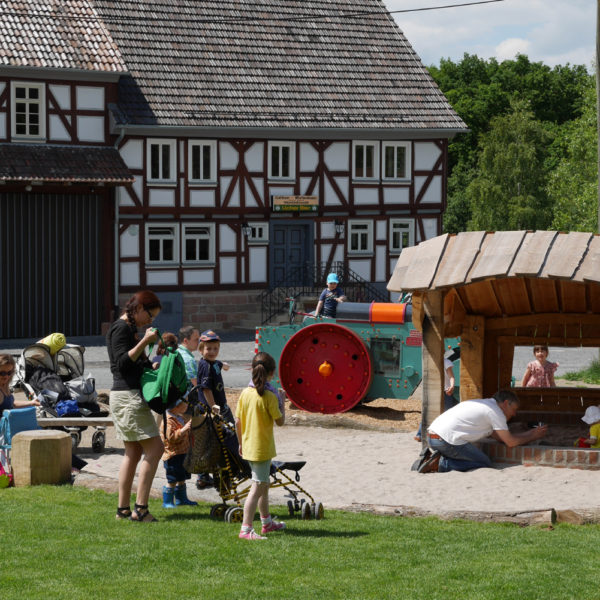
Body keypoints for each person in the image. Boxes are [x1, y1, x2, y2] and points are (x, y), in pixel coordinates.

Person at [106, 290, 164, 522]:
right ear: (139, 308)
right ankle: (140, 509)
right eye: (150, 315)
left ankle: (123, 510)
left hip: (124, 396)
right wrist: (145, 341)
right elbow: (121, 363)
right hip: (127, 397)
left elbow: (133, 363)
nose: (151, 321)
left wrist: (152, 366)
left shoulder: (127, 328)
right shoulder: (121, 328)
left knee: (133, 452)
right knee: (156, 449)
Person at [418, 389, 548, 473]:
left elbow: (497, 435)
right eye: (514, 409)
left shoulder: (484, 404)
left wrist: (529, 434)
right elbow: (510, 442)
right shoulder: (496, 412)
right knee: (483, 462)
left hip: (432, 437)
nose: (514, 414)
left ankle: (431, 458)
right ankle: (440, 464)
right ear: (506, 403)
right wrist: (533, 435)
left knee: (477, 459)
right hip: (446, 441)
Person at [235, 352, 285, 540]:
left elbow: (238, 421)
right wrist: (283, 403)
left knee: (264, 485)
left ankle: (266, 523)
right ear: (271, 373)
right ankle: (246, 529)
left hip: (248, 446)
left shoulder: (245, 393)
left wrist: (240, 443)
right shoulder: (270, 396)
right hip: (262, 448)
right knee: (257, 487)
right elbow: (280, 422)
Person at [195, 329, 231, 489]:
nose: (212, 352)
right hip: (211, 410)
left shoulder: (213, 363)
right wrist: (212, 407)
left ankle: (225, 471)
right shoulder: (204, 366)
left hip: (222, 407)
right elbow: (206, 389)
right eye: (209, 349)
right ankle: (205, 476)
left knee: (229, 436)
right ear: (201, 349)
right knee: (216, 441)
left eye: (216, 348)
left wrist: (223, 365)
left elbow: (217, 363)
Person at [160, 397, 198, 508]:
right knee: (172, 479)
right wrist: (183, 429)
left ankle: (182, 499)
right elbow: (170, 438)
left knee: (182, 478)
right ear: (177, 407)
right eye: (185, 404)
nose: (187, 406)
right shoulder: (168, 420)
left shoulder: (180, 417)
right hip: (173, 455)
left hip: (183, 453)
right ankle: (167, 502)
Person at [414, 356, 457, 442]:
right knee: (447, 413)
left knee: (429, 413)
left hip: (437, 391)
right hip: (445, 391)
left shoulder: (434, 362)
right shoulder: (445, 362)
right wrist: (451, 386)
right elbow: (451, 376)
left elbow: (450, 376)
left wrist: (451, 386)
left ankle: (420, 434)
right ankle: (442, 435)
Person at [0, 354, 40, 418]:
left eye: (9, 373)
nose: (6, 376)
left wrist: (32, 403)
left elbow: (11, 404)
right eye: (2, 373)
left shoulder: (4, 384)